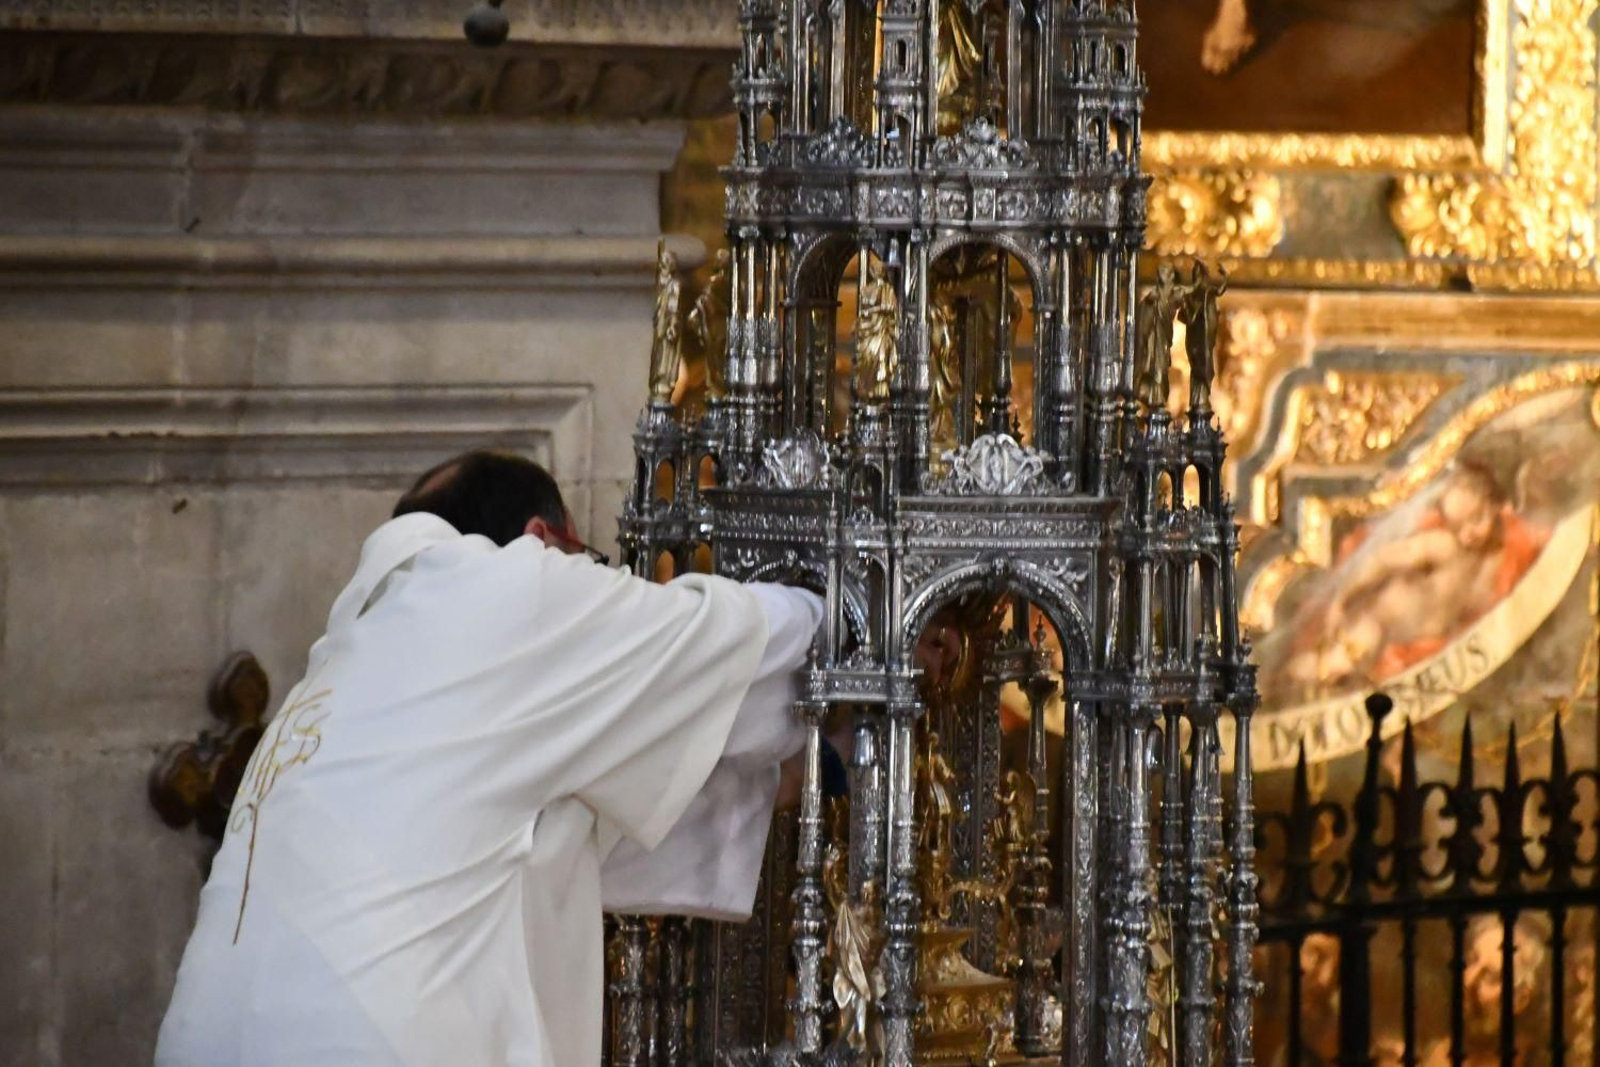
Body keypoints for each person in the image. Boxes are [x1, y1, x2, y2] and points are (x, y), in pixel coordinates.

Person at [155, 450, 824, 1067]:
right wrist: (861, 624)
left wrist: (784, 779)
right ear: (542, 539)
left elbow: (565, 843)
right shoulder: (498, 587)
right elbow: (724, 643)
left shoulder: (345, 672)